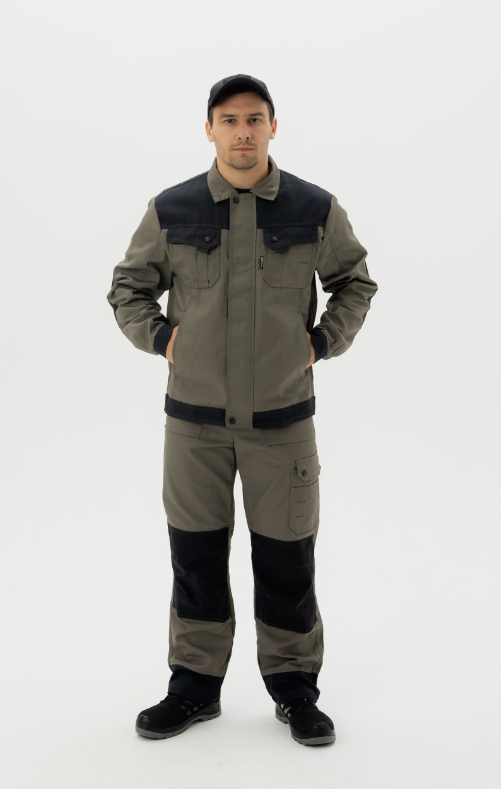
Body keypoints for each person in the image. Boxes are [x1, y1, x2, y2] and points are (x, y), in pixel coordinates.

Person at [107, 74, 377, 746]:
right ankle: (193, 689)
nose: (242, 132)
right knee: (195, 558)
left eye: (254, 119)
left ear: (273, 126)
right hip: (193, 426)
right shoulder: (173, 208)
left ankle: (295, 691)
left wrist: (321, 342)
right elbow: (128, 287)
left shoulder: (314, 208)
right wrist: (164, 339)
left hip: (282, 424)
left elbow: (353, 282)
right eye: (228, 120)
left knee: (287, 561)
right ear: (209, 129)